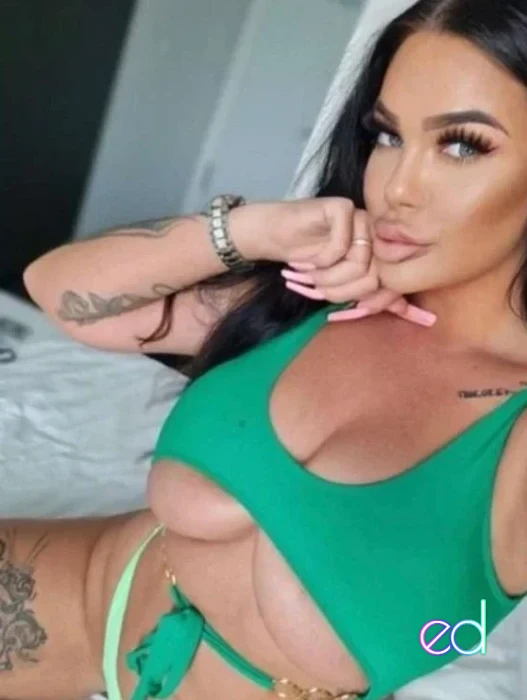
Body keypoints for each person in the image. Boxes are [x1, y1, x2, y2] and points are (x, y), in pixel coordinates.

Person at [6, 0, 527, 698]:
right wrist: (256, 231)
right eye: (385, 136)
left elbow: (457, 621)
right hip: (81, 597)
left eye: (461, 145)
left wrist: (449, 632)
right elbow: (57, 290)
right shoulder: (317, 293)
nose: (395, 188)